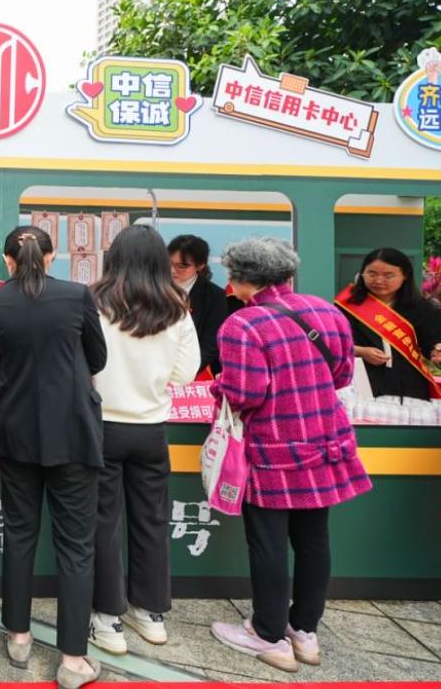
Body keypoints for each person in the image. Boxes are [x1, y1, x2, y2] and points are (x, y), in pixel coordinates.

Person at [210, 237, 371, 672]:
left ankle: (267, 634)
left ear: (243, 278)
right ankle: (304, 631)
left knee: (268, 543)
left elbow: (244, 394)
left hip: (274, 447)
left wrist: (216, 386)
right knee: (314, 539)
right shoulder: (328, 312)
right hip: (325, 440)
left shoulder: (243, 325)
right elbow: (342, 375)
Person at [0, 226, 106, 688]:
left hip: (16, 435)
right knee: (76, 546)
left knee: (19, 534)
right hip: (72, 434)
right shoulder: (76, 296)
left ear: (7, 260)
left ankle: (18, 636)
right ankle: (73, 660)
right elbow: (98, 358)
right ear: (51, 257)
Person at [88, 225, 199, 655]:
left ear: (113, 257)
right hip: (152, 429)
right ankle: (150, 614)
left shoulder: (95, 301)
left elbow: (82, 361)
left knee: (103, 523)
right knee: (151, 520)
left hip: (102, 427)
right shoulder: (176, 307)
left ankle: (107, 619)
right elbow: (185, 373)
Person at [335, 247, 441, 403]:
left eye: (388, 275)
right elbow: (332, 344)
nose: (378, 281)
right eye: (372, 274)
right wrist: (360, 351)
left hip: (407, 388)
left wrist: (436, 351)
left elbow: (432, 341)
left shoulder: (422, 308)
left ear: (405, 275)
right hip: (361, 385)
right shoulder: (345, 305)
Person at [168, 234, 228, 378]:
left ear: (200, 266)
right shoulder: (153, 288)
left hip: (193, 371)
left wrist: (184, 373)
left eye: (182, 266)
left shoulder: (214, 296)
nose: (172, 270)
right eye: (169, 263)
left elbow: (211, 343)